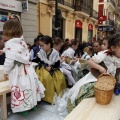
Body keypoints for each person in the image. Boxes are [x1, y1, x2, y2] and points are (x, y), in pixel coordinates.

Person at [0, 19, 45, 114]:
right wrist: (4, 50)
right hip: (27, 70)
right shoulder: (21, 41)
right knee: (29, 87)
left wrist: (5, 72)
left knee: (20, 89)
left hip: (18, 72)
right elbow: (17, 51)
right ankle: (33, 106)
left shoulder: (9, 44)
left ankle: (22, 110)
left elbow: (9, 60)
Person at [66, 34, 120, 112]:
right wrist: (100, 68)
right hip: (95, 78)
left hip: (110, 83)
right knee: (85, 93)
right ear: (113, 48)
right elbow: (90, 61)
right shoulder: (105, 55)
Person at [35, 35, 66, 104]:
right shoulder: (41, 51)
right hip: (43, 69)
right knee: (43, 77)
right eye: (40, 45)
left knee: (58, 79)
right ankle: (42, 96)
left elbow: (57, 64)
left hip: (53, 69)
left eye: (42, 45)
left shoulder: (55, 53)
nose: (41, 47)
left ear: (49, 44)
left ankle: (51, 97)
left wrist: (51, 68)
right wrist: (42, 63)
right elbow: (39, 60)